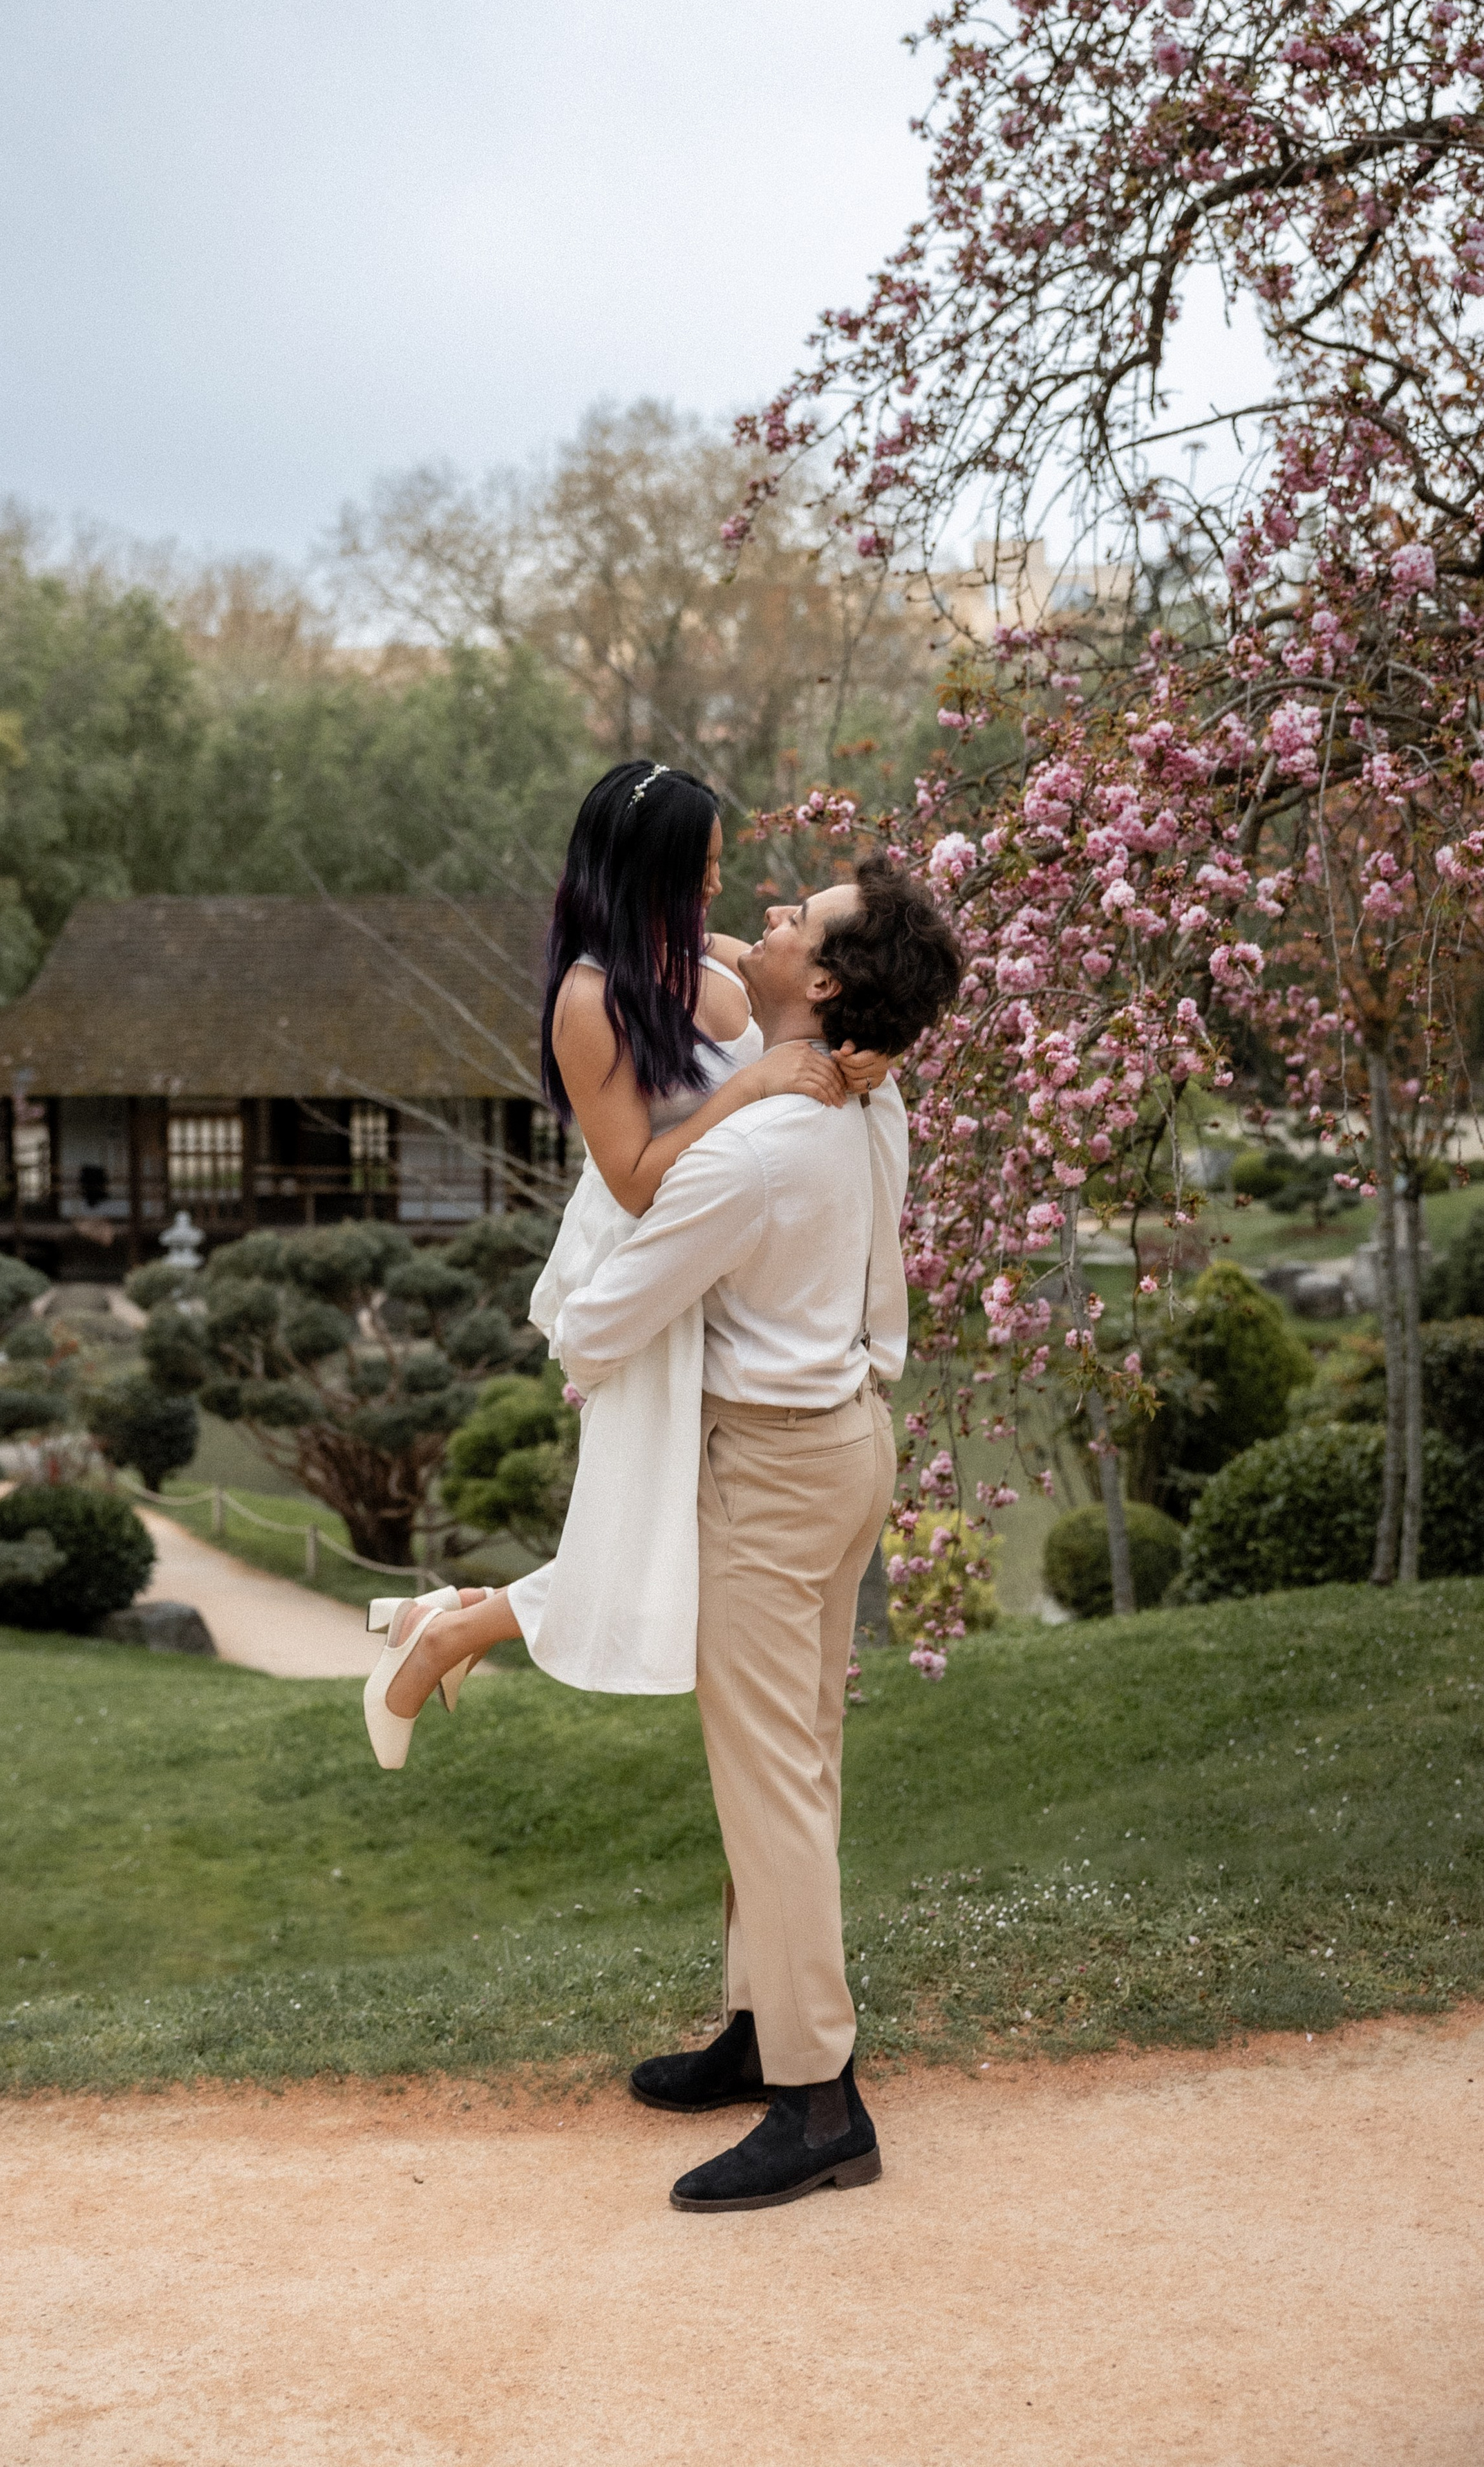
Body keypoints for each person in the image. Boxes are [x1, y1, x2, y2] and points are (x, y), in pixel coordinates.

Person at [560, 853, 963, 2212]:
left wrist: (594, 1327)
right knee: (801, 1758)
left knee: (769, 1781)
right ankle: (760, 2030)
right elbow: (748, 968)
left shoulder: (751, 1145)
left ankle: (815, 2102)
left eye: (800, 923)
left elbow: (595, 1325)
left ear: (828, 983)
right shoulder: (871, 1094)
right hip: (851, 1447)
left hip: (773, 1476)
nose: (769, 923)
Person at [363, 759, 887, 1760]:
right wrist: (756, 1090)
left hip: (728, 1271)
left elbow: (815, 1015)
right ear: (644, 876)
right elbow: (638, 1177)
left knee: (663, 1537)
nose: (717, 896)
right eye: (698, 877)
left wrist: (868, 1054)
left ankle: (446, 1626)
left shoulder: (718, 958)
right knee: (652, 1537)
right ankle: (439, 1640)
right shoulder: (592, 1002)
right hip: (650, 1272)